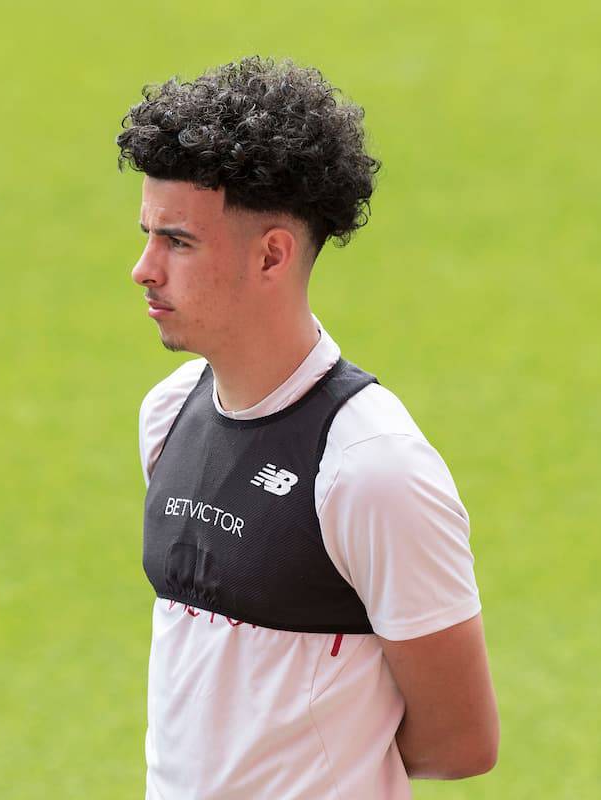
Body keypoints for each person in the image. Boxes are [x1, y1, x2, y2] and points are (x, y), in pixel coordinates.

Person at [116, 56, 499, 799]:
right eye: (147, 235)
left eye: (178, 242)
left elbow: (460, 741)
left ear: (272, 255)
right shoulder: (167, 414)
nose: (143, 268)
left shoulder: (371, 470)